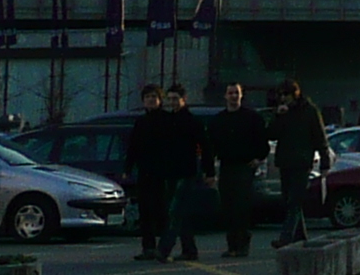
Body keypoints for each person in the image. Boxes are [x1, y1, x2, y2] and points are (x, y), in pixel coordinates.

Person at [130, 84, 208, 261]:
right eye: (170, 99)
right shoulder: (168, 121)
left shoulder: (191, 121)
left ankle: (163, 249)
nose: (172, 102)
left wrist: (208, 171)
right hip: (170, 173)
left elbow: (205, 147)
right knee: (180, 213)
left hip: (187, 172)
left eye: (175, 99)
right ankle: (189, 250)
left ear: (183, 99)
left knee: (174, 212)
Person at [205, 81, 270, 258]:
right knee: (228, 207)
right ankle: (232, 245)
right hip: (226, 167)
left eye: (236, 93)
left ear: (241, 95)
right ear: (225, 96)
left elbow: (263, 143)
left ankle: (242, 244)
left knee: (241, 207)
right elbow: (210, 148)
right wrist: (210, 172)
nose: (234, 96)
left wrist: (258, 158)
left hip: (244, 167)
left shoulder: (252, 118)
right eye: (230, 93)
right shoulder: (219, 120)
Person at [269, 79, 329, 248]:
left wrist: (325, 162)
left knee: (294, 201)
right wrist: (278, 116)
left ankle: (286, 237)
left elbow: (320, 137)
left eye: (286, 94)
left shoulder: (309, 111)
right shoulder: (283, 112)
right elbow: (271, 134)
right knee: (289, 200)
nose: (283, 98)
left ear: (295, 94)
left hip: (302, 162)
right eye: (281, 95)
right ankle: (300, 237)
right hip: (285, 161)